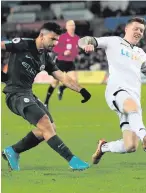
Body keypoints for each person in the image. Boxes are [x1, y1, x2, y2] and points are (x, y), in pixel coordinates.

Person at [78, 17, 146, 165]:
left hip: (133, 98)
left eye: (141, 30)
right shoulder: (113, 41)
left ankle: (103, 147)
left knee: (130, 146)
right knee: (132, 108)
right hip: (117, 91)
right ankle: (144, 136)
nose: (139, 32)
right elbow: (84, 40)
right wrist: (86, 44)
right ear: (126, 29)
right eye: (136, 28)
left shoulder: (141, 53)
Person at [1, 22, 91, 171]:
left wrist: (81, 90)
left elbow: (62, 76)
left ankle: (13, 151)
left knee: (50, 127)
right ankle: (72, 160)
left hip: (28, 93)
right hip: (15, 94)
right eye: (53, 39)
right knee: (44, 123)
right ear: (42, 36)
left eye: (57, 40)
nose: (55, 43)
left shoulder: (45, 58)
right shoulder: (22, 44)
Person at [44, 20, 80, 108]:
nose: (72, 27)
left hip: (70, 63)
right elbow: (55, 49)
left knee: (74, 81)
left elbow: (76, 50)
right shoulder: (62, 37)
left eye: (73, 25)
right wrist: (64, 52)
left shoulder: (76, 38)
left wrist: (75, 53)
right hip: (60, 62)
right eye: (70, 25)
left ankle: (62, 88)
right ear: (67, 27)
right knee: (54, 83)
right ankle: (46, 102)